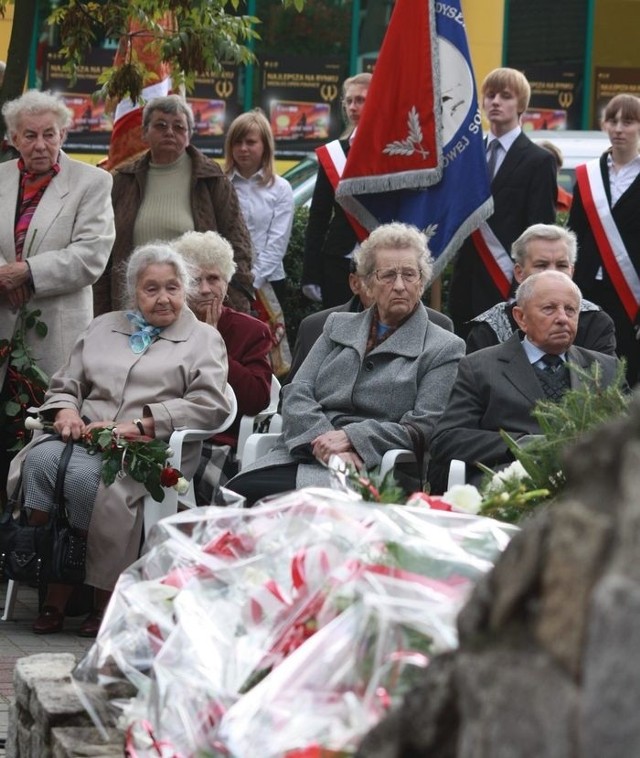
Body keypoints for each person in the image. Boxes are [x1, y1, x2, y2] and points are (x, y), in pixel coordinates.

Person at [7, 242, 232, 636]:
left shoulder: (203, 339)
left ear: (185, 289)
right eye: (151, 289)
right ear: (134, 292)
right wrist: (66, 411)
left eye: (173, 288)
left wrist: (143, 424)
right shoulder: (104, 325)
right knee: (40, 463)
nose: (164, 298)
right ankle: (48, 582)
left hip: (146, 447)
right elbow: (67, 382)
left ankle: (103, 597)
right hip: (81, 436)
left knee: (89, 481)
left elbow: (210, 402)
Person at [226, 222, 465, 505]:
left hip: (376, 468)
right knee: (235, 495)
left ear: (422, 282)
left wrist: (353, 438)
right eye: (387, 275)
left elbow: (424, 426)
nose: (399, 285)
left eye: (409, 275)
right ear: (367, 283)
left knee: (281, 505)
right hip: (306, 454)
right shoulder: (337, 326)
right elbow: (296, 392)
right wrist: (326, 443)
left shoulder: (444, 347)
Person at [0, 90, 115, 496]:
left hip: (55, 337)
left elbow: (91, 255)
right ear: (13, 138)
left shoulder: (93, 182)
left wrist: (27, 273)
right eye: (29, 136)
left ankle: (29, 537)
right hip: (2, 328)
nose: (40, 145)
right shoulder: (0, 178)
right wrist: (3, 277)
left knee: (44, 435)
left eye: (49, 134)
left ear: (63, 133)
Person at [430, 271, 621, 491]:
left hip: (589, 490)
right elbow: (446, 439)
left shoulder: (604, 369)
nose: (562, 318)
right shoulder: (479, 367)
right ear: (520, 317)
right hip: (510, 490)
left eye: (570, 310)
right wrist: (518, 444)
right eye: (549, 309)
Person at [93, 95, 254, 316]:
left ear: (189, 135)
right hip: (134, 308)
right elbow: (104, 253)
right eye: (160, 125)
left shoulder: (212, 179)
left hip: (194, 308)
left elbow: (238, 246)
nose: (170, 132)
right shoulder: (123, 180)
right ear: (144, 133)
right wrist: (101, 313)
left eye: (179, 127)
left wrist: (235, 304)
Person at [448, 67, 557, 338]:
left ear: (521, 104)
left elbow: (540, 228)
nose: (495, 101)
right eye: (490, 95)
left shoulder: (539, 160)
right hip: (465, 278)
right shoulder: (467, 155)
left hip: (507, 279)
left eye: (505, 96)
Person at [172, 230, 272, 503]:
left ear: (226, 282)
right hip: (162, 437)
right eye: (195, 279)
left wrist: (212, 345)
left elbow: (256, 399)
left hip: (216, 444)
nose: (205, 289)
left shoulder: (250, 330)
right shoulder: (163, 326)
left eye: (213, 278)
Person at [569, 93, 640, 387]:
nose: (619, 128)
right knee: (581, 367)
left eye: (629, 121)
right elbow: (573, 235)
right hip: (586, 289)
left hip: (631, 294)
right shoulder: (588, 175)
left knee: (625, 372)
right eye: (612, 120)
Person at [288, 259, 454, 382]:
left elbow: (438, 411)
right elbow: (292, 398)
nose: (395, 286)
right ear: (355, 283)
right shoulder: (315, 327)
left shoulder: (438, 327)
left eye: (407, 275)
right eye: (382, 276)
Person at [466, 223, 616, 356]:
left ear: (571, 271)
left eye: (562, 265)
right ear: (519, 273)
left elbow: (605, 383)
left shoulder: (595, 322)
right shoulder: (489, 329)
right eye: (541, 265)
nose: (553, 272)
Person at [224, 109, 294, 376]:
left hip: (267, 282)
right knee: (233, 348)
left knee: (267, 350)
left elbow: (278, 241)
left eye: (250, 142)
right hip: (227, 281)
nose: (243, 149)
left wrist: (251, 280)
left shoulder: (280, 188)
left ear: (265, 145)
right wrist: (234, 278)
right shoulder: (221, 183)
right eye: (237, 142)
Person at [301, 72, 373, 309]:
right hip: (338, 261)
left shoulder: (392, 152)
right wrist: (310, 273)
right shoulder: (334, 153)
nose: (353, 106)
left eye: (361, 100)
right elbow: (318, 216)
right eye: (349, 101)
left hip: (380, 260)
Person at [538, 140, 573, 213]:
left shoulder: (571, 204)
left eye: (548, 166)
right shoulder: (519, 200)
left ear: (558, 169)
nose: (543, 172)